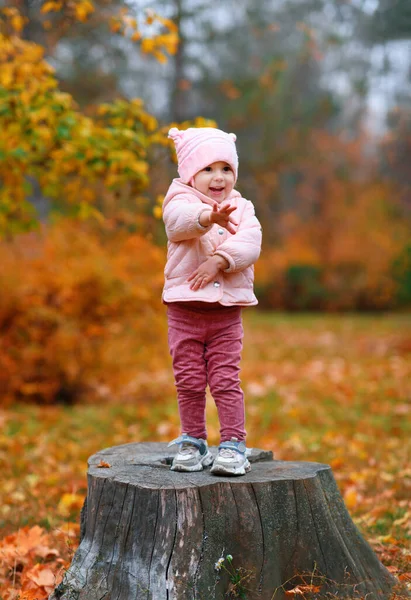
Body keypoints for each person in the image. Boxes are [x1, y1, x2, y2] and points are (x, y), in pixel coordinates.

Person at [163, 126, 262, 476]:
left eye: (226, 169)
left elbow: (250, 243)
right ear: (191, 173)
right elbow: (178, 224)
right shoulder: (179, 199)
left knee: (224, 380)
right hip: (185, 311)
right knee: (189, 380)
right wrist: (208, 217)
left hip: (225, 315)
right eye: (208, 169)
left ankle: (234, 443)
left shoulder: (243, 207)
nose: (218, 177)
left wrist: (218, 261)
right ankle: (193, 439)